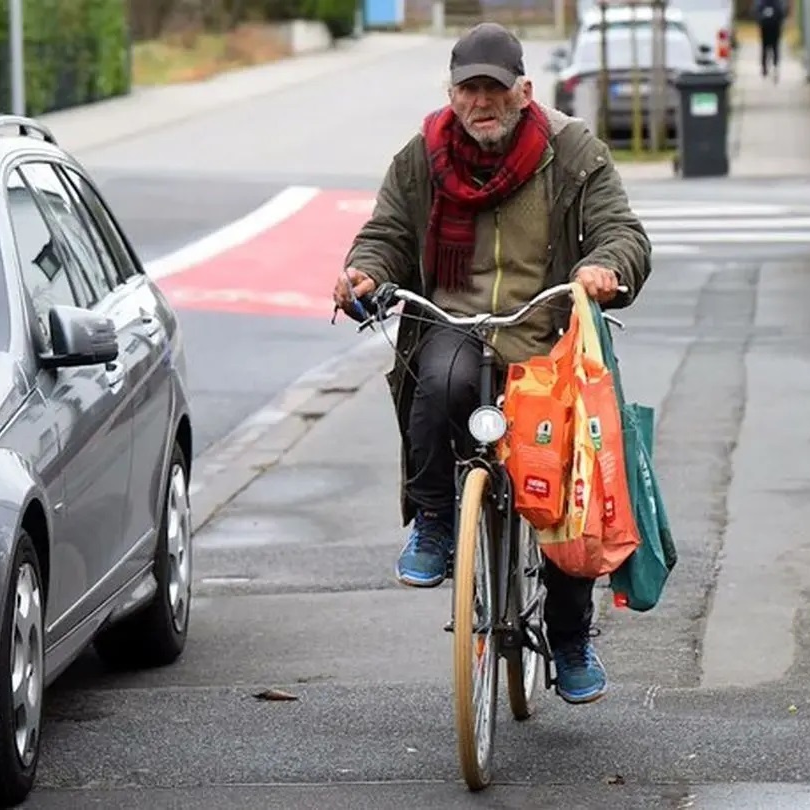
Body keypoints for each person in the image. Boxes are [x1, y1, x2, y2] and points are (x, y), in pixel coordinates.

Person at [333, 22, 651, 705]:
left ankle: (569, 640)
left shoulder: (570, 151)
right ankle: (436, 522)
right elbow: (386, 231)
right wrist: (363, 272)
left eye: (494, 90)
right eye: (468, 89)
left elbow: (621, 230)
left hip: (544, 333)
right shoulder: (423, 155)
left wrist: (603, 267)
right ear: (451, 94)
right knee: (436, 381)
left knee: (560, 483)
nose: (481, 102)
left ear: (523, 92)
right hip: (455, 322)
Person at [756, 0, 785, 82]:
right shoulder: (776, 3)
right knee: (772, 48)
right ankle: (771, 66)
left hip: (768, 29)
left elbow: (757, 13)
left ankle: (767, 67)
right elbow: (781, 14)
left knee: (767, 48)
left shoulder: (762, 3)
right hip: (772, 29)